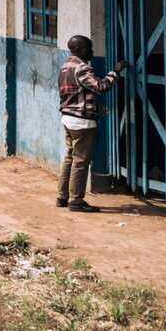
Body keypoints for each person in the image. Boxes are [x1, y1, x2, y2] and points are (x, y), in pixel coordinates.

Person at [57, 35, 126, 212]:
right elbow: (101, 87)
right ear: (79, 50)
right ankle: (76, 201)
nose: (92, 52)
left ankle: (62, 196)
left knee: (70, 158)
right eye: (89, 48)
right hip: (82, 122)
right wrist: (115, 72)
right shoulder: (81, 68)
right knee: (80, 161)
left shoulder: (65, 67)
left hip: (68, 118)